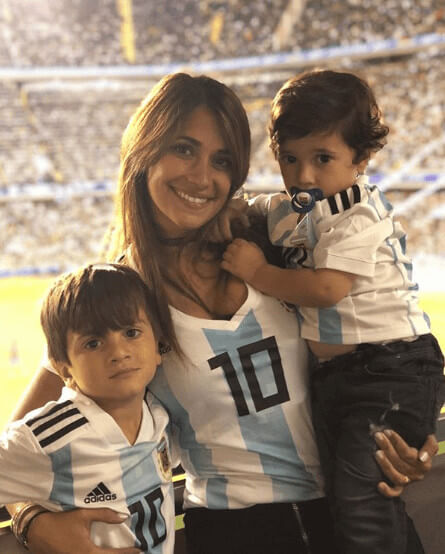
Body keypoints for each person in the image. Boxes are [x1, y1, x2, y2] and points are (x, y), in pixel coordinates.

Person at [6, 73, 437, 554]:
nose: (202, 176)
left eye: (222, 160)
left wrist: (406, 433)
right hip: (236, 534)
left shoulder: (278, 242)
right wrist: (31, 521)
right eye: (184, 149)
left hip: (353, 517)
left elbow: (377, 351)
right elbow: (21, 444)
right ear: (145, 150)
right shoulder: (115, 295)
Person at [221, 69, 445, 554]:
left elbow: (325, 288)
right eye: (290, 158)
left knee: (364, 496)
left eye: (323, 158)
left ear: (361, 159)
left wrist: (258, 271)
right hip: (340, 375)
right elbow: (254, 209)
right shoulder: (293, 208)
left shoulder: (358, 212)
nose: (303, 175)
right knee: (343, 496)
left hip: (391, 367)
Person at [1, 263, 175, 553]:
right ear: (63, 368)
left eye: (131, 333)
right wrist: (31, 521)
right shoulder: (49, 438)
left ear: (158, 348)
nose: (118, 353)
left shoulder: (158, 413)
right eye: (93, 343)